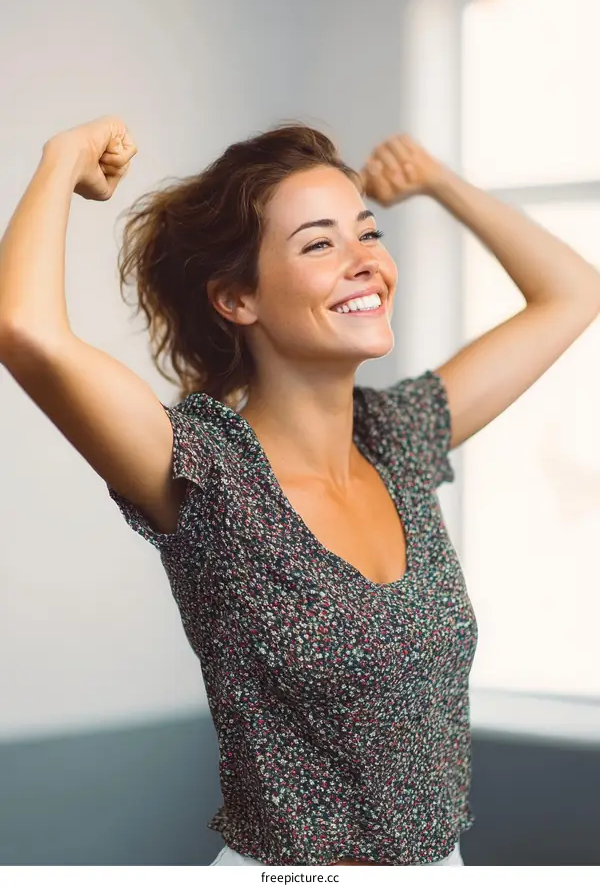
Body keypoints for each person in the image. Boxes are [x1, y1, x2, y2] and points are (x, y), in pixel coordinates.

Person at [0, 116, 598, 868]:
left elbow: (573, 294)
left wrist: (440, 182)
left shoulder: (398, 441)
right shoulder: (205, 469)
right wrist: (60, 160)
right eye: (319, 243)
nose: (364, 263)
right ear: (236, 300)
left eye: (368, 233)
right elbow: (26, 332)